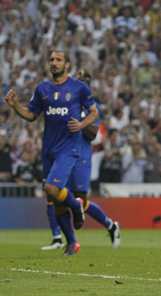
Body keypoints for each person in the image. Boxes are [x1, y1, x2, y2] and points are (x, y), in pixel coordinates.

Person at [4, 51, 99, 256]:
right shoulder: (42, 88)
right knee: (55, 198)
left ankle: (76, 207)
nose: (54, 63)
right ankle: (71, 243)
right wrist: (14, 106)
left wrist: (81, 125)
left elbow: (94, 113)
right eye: (51, 60)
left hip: (68, 148)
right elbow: (31, 115)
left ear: (67, 64)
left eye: (58, 60)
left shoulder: (79, 88)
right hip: (48, 149)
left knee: (51, 188)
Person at [42, 69, 121, 251]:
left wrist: (79, 120)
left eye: (85, 79)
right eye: (78, 77)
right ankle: (71, 242)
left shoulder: (91, 107)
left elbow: (93, 134)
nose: (81, 81)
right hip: (62, 154)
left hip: (81, 157)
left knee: (80, 201)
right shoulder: (63, 102)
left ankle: (110, 225)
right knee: (57, 196)